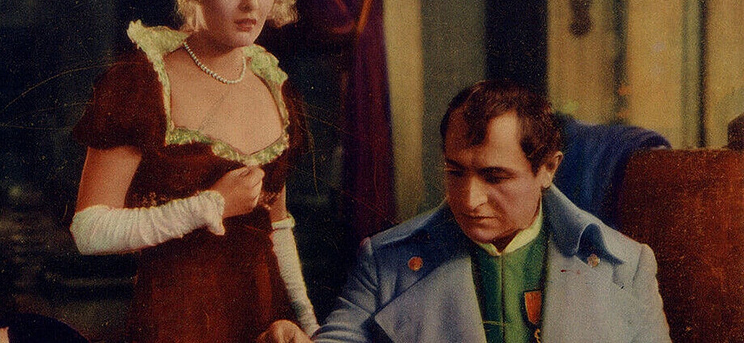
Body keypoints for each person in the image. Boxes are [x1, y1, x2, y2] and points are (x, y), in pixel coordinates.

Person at [68, 0, 317, 342]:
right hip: (179, 322)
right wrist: (208, 206)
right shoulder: (142, 82)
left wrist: (310, 323)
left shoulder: (274, 85)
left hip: (268, 321)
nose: (251, 4)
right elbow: (89, 230)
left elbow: (278, 226)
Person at [267, 79, 670, 342]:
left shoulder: (626, 266)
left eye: (495, 177)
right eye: (455, 172)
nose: (469, 199)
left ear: (548, 169)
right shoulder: (385, 261)